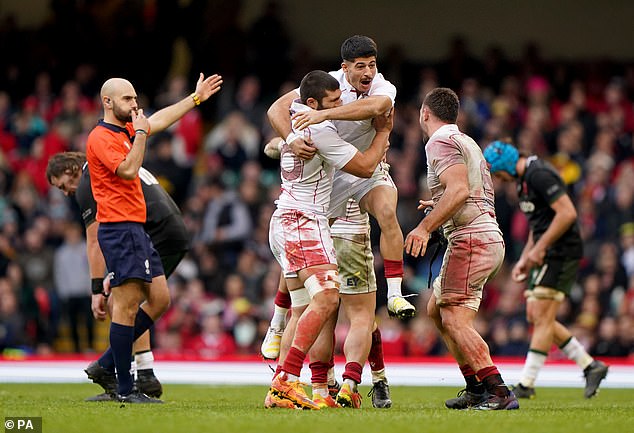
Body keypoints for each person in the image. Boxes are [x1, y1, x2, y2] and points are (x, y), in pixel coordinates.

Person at [83, 73, 222, 403]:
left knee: (160, 299)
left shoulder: (124, 131)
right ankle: (125, 388)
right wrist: (142, 134)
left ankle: (105, 366)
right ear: (108, 102)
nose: (135, 104)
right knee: (127, 307)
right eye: (128, 99)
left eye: (135, 99)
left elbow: (158, 119)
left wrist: (195, 98)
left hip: (137, 228)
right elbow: (129, 170)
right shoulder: (101, 137)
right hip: (120, 229)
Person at [266, 70, 391, 410]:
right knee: (327, 300)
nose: (339, 106)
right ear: (311, 103)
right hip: (303, 221)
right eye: (333, 102)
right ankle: (286, 381)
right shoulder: (320, 130)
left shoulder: (295, 124)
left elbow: (272, 135)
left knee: (305, 309)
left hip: (285, 217)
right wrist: (383, 134)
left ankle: (282, 384)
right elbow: (365, 167)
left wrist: (284, 141)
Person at [267, 35, 415, 320]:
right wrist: (291, 138)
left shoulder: (383, 86)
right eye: (360, 66)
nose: (368, 73)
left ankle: (395, 293)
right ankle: (277, 317)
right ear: (345, 68)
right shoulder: (328, 84)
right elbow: (275, 109)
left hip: (368, 167)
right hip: (333, 174)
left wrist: (324, 116)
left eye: (372, 65)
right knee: (303, 249)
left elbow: (375, 107)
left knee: (386, 210)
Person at [404, 87, 519, 410]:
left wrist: (425, 227)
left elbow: (459, 191)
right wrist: (439, 204)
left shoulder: (438, 142)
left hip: (471, 239)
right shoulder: (467, 141)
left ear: (425, 114)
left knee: (453, 318)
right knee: (437, 311)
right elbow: (470, 192)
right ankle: (475, 387)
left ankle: (498, 391)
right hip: (485, 237)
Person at [46, 151, 190, 401]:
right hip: (171, 230)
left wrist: (94, 289)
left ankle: (124, 372)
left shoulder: (90, 180)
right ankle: (141, 372)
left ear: (71, 169)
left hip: (154, 233)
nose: (66, 191)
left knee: (123, 302)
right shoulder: (111, 164)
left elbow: (93, 240)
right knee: (134, 300)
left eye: (63, 184)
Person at [482, 140, 609, 399]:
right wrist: (526, 258)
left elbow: (567, 213)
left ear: (503, 167)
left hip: (561, 252)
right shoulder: (523, 181)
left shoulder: (539, 174)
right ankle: (590, 365)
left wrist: (540, 249)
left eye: (496, 174)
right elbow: (537, 225)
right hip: (547, 251)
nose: (498, 180)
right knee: (537, 316)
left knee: (540, 315)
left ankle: (526, 384)